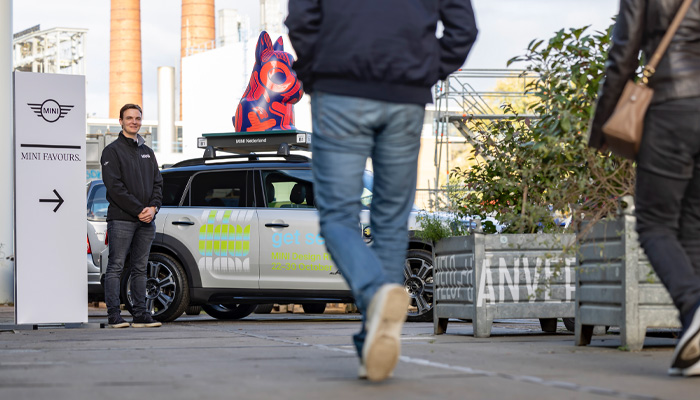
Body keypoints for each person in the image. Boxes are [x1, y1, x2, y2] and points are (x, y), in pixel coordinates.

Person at [286, 0, 478, 381]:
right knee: (391, 220)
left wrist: (316, 71)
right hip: (405, 95)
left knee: (338, 217)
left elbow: (301, 18)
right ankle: (374, 336)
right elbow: (463, 29)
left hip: (340, 91)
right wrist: (422, 72)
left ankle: (376, 293)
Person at [590, 0, 700, 377]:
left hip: (671, 107)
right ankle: (694, 339)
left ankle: (694, 305)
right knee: (692, 227)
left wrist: (601, 127)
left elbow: (623, 54)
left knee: (654, 224)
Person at [101, 104, 163, 328]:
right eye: (129, 118)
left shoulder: (147, 152)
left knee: (140, 268)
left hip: (147, 220)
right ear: (121, 121)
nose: (134, 122)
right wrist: (139, 210)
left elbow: (158, 183)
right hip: (121, 219)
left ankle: (140, 314)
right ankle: (114, 315)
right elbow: (115, 187)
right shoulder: (112, 151)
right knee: (116, 267)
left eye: (137, 118)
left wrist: (153, 208)